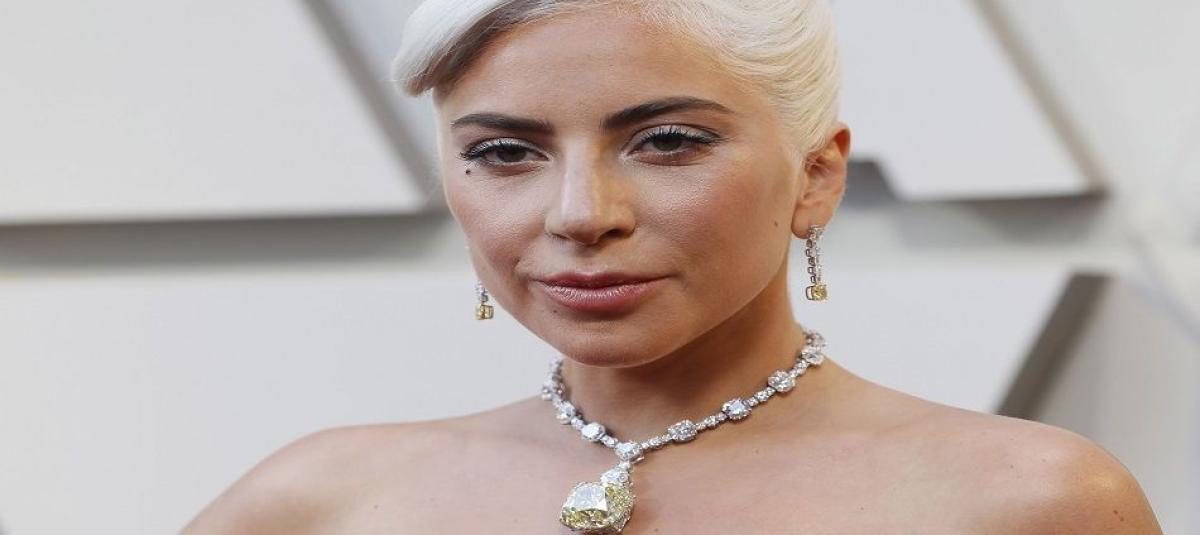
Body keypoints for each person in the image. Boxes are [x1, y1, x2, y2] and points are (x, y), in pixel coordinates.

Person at [182, 0, 1164, 533]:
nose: (581, 214)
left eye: (667, 141)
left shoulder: (1029, 500)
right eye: (506, 152)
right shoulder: (322, 499)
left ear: (817, 176)